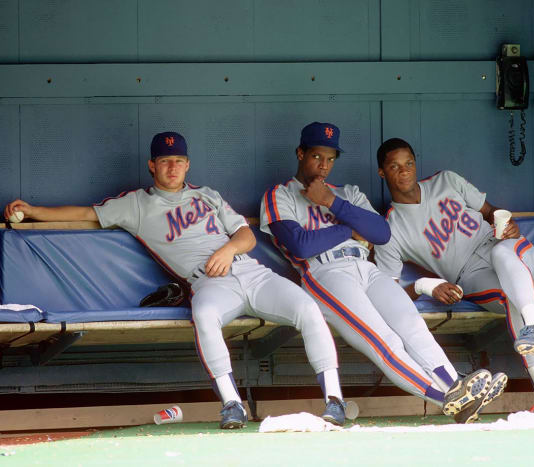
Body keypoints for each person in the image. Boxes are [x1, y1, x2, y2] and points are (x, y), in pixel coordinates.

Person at [3, 131, 348, 428]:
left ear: (188, 164)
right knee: (204, 314)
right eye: (165, 161)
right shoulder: (137, 205)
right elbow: (85, 214)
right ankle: (232, 404)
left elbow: (247, 236)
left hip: (249, 270)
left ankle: (334, 399)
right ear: (152, 165)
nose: (173, 167)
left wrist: (228, 250)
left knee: (308, 307)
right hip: (210, 283)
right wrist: (34, 211)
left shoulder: (207, 195)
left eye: (179, 160)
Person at [259, 122, 507, 423]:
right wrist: (350, 227)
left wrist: (331, 202)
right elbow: (299, 245)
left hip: (366, 268)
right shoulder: (279, 195)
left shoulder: (347, 193)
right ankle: (447, 399)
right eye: (316, 157)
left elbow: (381, 232)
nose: (324, 166)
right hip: (326, 273)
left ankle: (457, 387)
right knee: (383, 340)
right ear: (300, 153)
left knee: (413, 327)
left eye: (331, 159)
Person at [373, 137, 534, 415]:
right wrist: (426, 285)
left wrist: (507, 224)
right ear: (382, 173)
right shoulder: (390, 229)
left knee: (502, 255)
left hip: (510, 251)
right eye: (395, 166)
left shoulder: (446, 181)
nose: (404, 171)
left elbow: (492, 212)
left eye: (409, 164)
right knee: (508, 296)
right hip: (473, 276)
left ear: (416, 165)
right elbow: (388, 295)